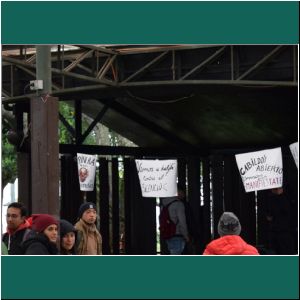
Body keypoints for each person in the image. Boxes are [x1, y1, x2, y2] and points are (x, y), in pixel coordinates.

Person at [266, 187, 297, 254]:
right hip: (275, 231)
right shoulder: (271, 198)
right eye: (274, 189)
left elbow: (289, 213)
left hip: (286, 231)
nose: (276, 190)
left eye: (278, 188)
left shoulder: (288, 198)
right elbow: (269, 213)